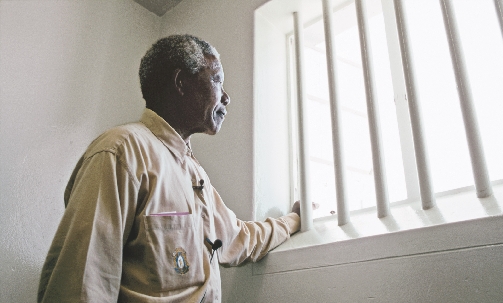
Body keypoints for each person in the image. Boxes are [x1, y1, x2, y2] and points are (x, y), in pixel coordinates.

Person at [38, 34, 301, 302]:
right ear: (180, 83)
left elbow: (238, 238)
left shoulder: (195, 175)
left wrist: (295, 220)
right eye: (217, 79)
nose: (226, 96)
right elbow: (82, 284)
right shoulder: (120, 151)